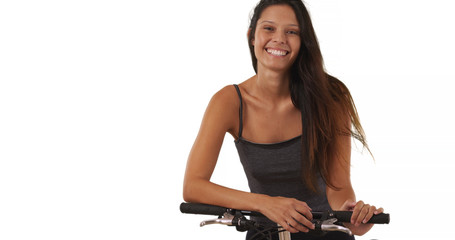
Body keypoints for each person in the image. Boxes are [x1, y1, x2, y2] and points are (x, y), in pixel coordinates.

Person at [183, 0, 384, 239]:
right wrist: (265, 204)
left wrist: (351, 217)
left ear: (303, 42)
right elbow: (193, 186)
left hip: (326, 234)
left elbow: (338, 189)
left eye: (292, 32)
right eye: (269, 28)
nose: (279, 39)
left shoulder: (330, 96)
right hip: (264, 233)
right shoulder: (229, 102)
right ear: (252, 37)